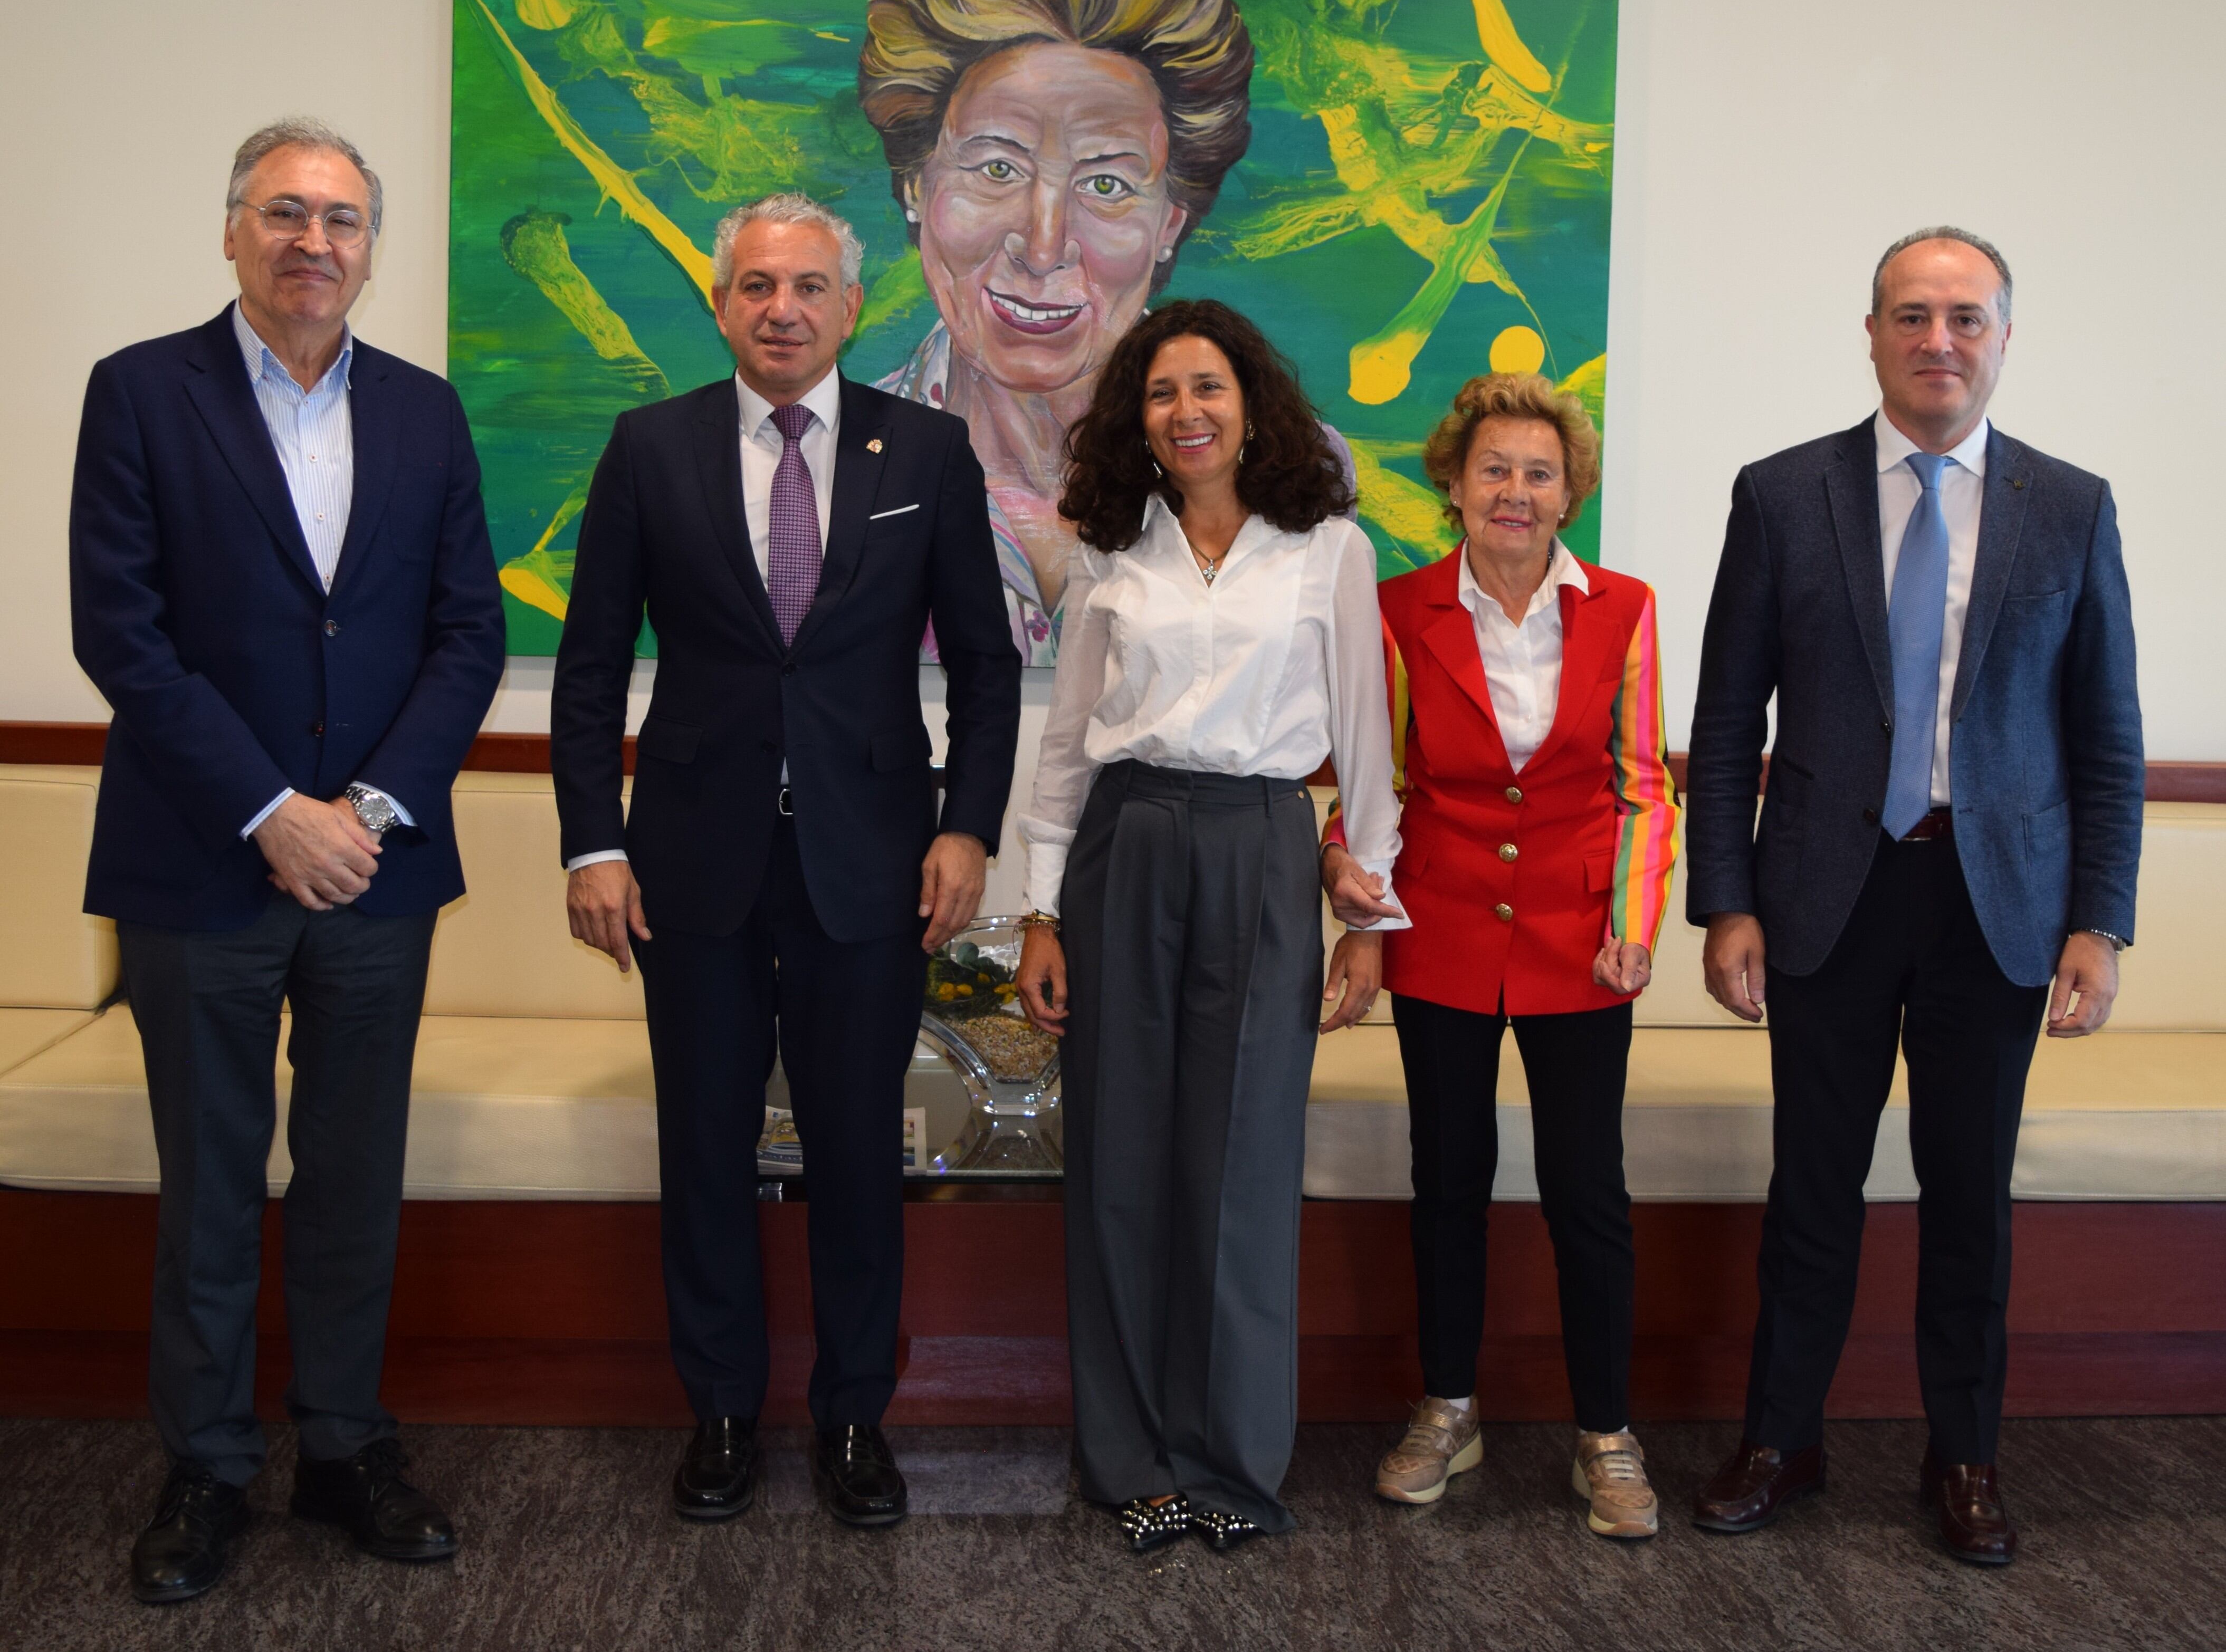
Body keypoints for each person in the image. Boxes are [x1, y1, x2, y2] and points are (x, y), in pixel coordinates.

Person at [68, 119, 507, 1603]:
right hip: (202, 864)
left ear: (371, 245)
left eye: (342, 219)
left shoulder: (427, 415)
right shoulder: (139, 393)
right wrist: (273, 810)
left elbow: (468, 635)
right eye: (284, 213)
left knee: (349, 1179)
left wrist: (366, 809)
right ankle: (203, 1466)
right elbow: (119, 632)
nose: (313, 242)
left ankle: (341, 1447)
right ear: (233, 231)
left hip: (378, 876)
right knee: (207, 1184)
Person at [551, 193, 1020, 1530]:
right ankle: (717, 1411)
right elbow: (588, 670)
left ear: (848, 306)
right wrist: (593, 837)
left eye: (809, 286)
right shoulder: (650, 448)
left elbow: (985, 668)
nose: (782, 310)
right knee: (702, 1146)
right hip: (686, 866)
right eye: (756, 286)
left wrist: (966, 825)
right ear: (719, 305)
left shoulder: (925, 447)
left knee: (861, 1150)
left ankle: (857, 1413)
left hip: (872, 866)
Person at [1685, 227, 2143, 1565]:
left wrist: (2097, 920)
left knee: (1969, 1199)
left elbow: (2105, 738)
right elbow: (1725, 725)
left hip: (1994, 905)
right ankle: (1783, 1434)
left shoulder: (2071, 504)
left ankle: (1967, 1453)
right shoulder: (1782, 495)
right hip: (1825, 892)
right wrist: (1726, 897)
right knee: (1810, 1188)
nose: (1937, 338)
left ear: (2003, 336)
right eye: (1911, 314)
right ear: (1871, 331)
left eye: (1965, 316)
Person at [1013, 298, 1403, 1553]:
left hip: (1261, 844)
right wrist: (1038, 907)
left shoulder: (1328, 548)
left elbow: (1367, 743)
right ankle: (1131, 1460)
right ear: (1140, 418)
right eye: (1163, 393)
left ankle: (1231, 1464)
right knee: (1121, 1163)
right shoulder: (1109, 552)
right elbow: (1069, 739)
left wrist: (1371, 913)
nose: (1187, 412)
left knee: (1239, 1169)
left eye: (1209, 389)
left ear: (1252, 407)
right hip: (1125, 847)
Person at [1320, 372, 1679, 1538]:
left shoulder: (1624, 607)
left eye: (1537, 471)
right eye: (1493, 470)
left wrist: (1634, 921)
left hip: (1584, 939)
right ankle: (1447, 1404)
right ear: (1454, 485)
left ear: (1569, 489)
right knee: (1449, 1181)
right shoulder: (1395, 608)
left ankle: (1606, 1432)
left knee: (1588, 1189)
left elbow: (1641, 784)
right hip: (1443, 925)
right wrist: (1352, 894)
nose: (1514, 491)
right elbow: (1369, 780)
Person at [861, 0, 1322, 661]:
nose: (1043, 247)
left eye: (1106, 184)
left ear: (1171, 221)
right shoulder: (830, 467)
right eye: (996, 168)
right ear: (915, 184)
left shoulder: (1290, 470)